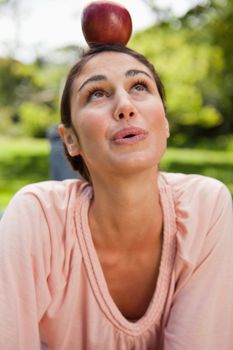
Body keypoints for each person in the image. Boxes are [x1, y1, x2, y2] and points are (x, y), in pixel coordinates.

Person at [0, 44, 233, 350]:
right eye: (97, 93)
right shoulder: (36, 217)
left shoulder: (205, 206)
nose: (125, 106)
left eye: (139, 86)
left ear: (164, 124)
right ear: (69, 139)